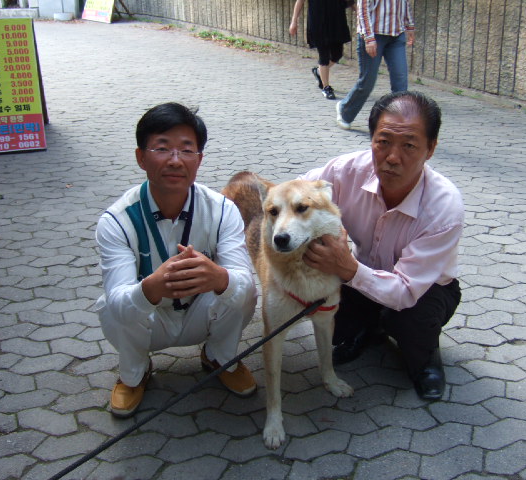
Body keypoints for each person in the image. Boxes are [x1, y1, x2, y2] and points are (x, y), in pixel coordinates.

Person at [95, 102, 258, 418]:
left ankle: (220, 357)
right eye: (162, 148)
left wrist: (219, 279)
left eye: (186, 150)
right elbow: (119, 304)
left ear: (199, 160)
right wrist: (152, 287)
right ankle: (134, 373)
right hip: (150, 320)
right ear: (141, 157)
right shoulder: (117, 221)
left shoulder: (222, 210)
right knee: (112, 306)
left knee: (241, 289)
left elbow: (242, 281)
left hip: (201, 312)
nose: (175, 160)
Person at [302, 91, 463, 400]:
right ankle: (370, 329)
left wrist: (347, 268)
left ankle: (426, 358)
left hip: (424, 289)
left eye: (409, 146)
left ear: (431, 149)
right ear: (372, 139)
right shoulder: (344, 171)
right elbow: (296, 194)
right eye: (383, 141)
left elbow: (404, 291)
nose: (392, 157)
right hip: (360, 272)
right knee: (330, 318)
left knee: (409, 319)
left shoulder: (444, 206)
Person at [336, 0, 415, 129]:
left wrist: (410, 25)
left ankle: (397, 123)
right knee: (368, 82)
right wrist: (369, 38)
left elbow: (405, 3)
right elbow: (363, 9)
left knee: (400, 81)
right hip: (374, 34)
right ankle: (345, 110)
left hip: (397, 34)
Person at [289, 0, 356, 100]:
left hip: (336, 20)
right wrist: (294, 21)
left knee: (337, 54)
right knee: (324, 55)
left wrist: (359, 12)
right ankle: (326, 87)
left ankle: (319, 71)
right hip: (318, 21)